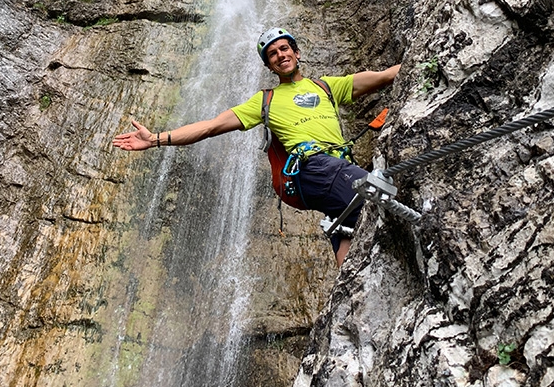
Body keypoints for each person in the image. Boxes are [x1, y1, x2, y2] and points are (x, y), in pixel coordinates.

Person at [113, 27, 400, 266]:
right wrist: (156, 139)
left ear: (296, 53)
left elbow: (387, 76)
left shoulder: (327, 87)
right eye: (273, 54)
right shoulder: (264, 100)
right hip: (312, 168)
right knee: (379, 196)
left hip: (337, 170)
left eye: (285, 49)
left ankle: (349, 297)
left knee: (349, 228)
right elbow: (212, 126)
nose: (280, 55)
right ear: (268, 65)